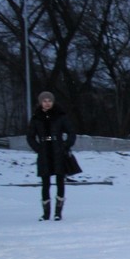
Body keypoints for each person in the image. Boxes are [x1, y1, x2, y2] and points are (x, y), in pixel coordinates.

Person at [26, 91, 76, 221]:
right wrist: (38, 148)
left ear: (53, 102)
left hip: (58, 151)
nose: (47, 103)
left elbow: (71, 133)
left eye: (49, 101)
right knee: (45, 183)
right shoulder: (36, 117)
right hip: (44, 152)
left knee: (60, 181)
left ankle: (58, 212)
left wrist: (65, 146)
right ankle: (46, 213)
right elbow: (30, 136)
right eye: (44, 101)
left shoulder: (60, 116)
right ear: (40, 102)